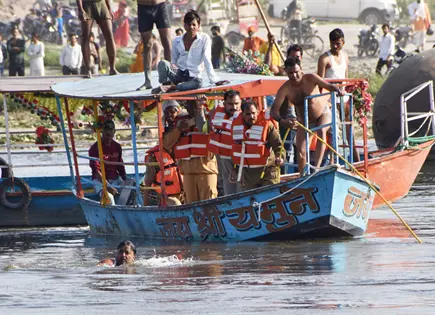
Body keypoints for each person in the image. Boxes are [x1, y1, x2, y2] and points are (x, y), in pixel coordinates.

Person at [271, 57, 344, 175]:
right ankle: (302, 176)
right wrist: (283, 120)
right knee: (301, 151)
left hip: (322, 113)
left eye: (296, 72)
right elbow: (274, 110)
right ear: (286, 72)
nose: (294, 75)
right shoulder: (285, 88)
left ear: (301, 69)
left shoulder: (311, 78)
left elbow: (328, 86)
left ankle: (317, 169)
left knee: (321, 130)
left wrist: (338, 90)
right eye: (290, 73)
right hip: (304, 120)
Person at [165, 97, 218, 203]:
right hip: (188, 172)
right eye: (189, 105)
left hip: (206, 170)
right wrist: (178, 130)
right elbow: (166, 144)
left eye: (195, 105)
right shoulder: (179, 122)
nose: (191, 108)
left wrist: (200, 114)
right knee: (191, 204)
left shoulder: (210, 118)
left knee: (209, 203)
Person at [317, 28, 359, 162]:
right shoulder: (324, 59)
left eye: (338, 43)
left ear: (343, 43)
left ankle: (356, 160)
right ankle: (331, 161)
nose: (335, 46)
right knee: (333, 132)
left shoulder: (345, 57)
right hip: (329, 100)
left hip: (344, 98)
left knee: (349, 131)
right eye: (333, 43)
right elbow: (320, 82)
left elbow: (346, 79)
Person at [154, 10, 218, 93]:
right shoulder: (177, 41)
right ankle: (165, 85)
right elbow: (174, 61)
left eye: (194, 24)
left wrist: (214, 80)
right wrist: (171, 74)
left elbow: (207, 59)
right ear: (184, 26)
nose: (191, 27)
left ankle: (173, 87)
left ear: (198, 26)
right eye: (189, 24)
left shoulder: (204, 39)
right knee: (163, 63)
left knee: (198, 83)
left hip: (193, 77)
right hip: (179, 73)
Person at [229, 100, 283, 191]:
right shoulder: (236, 127)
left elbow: (278, 145)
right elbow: (237, 150)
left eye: (253, 113)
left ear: (257, 112)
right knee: (248, 201)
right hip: (247, 173)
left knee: (269, 198)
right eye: (248, 114)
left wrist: (280, 157)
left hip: (268, 170)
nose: (252, 116)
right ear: (242, 114)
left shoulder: (268, 125)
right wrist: (234, 169)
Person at [143, 100, 183, 206]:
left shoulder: (183, 151)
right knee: (176, 204)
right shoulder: (155, 156)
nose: (170, 115)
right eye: (167, 113)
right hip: (166, 198)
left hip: (185, 194)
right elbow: (147, 184)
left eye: (172, 112)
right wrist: (145, 206)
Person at [208, 90, 241, 195]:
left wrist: (236, 167)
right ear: (224, 103)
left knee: (232, 192)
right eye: (230, 104)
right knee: (221, 188)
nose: (234, 107)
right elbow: (204, 129)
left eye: (236, 104)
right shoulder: (217, 114)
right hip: (219, 159)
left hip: (234, 161)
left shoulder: (244, 118)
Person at [89, 120, 128, 205]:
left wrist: (125, 179)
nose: (109, 132)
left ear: (114, 132)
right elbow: (96, 171)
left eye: (111, 129)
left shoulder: (117, 147)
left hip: (115, 178)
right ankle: (114, 216)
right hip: (100, 181)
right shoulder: (95, 148)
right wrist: (107, 186)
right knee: (109, 197)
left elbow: (120, 165)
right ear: (102, 131)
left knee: (132, 191)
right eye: (106, 129)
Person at [135, 0, 172, 90]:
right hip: (144, 7)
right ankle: (147, 81)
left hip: (160, 6)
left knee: (166, 41)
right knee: (147, 44)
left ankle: (170, 77)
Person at [76, 0, 118, 77]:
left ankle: (112, 68)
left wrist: (109, 8)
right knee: (86, 37)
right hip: (87, 5)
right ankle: (88, 69)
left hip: (101, 4)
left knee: (109, 35)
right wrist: (80, 9)